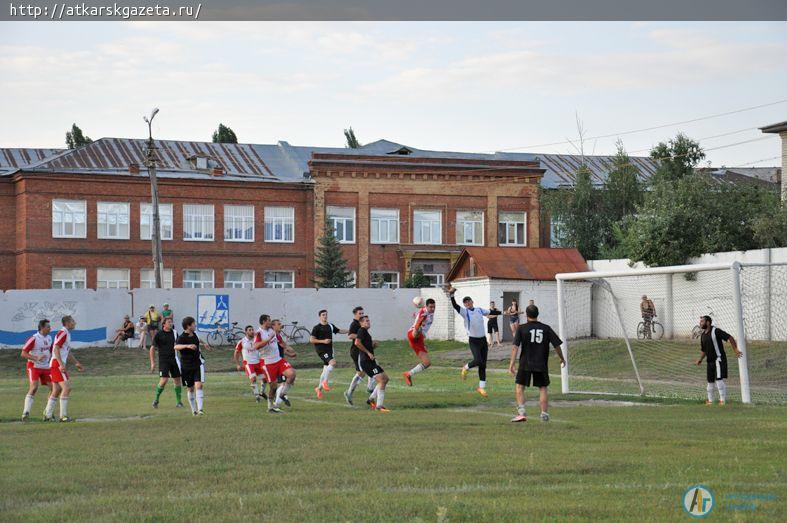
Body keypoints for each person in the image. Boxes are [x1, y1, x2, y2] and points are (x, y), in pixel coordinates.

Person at [508, 304, 565, 423]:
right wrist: (562, 358)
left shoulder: (521, 328)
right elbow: (557, 345)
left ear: (526, 315)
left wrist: (511, 364)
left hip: (525, 362)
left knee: (520, 386)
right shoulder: (546, 328)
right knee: (543, 388)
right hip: (541, 363)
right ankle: (544, 415)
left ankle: (522, 413)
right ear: (537, 314)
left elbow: (515, 347)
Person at [448, 286, 493, 397]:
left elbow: (491, 311)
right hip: (473, 341)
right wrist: (452, 295)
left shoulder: (479, 310)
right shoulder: (465, 312)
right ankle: (466, 367)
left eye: (469, 301)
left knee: (483, 365)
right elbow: (455, 306)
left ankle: (481, 388)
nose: (467, 303)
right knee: (477, 360)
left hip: (483, 340)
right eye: (465, 303)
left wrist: (503, 312)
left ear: (472, 302)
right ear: (464, 305)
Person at [696, 315, 742, 405]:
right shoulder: (703, 336)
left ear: (708, 322)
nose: (700, 323)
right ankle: (710, 401)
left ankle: (722, 401)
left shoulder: (716, 331)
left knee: (719, 380)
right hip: (709, 362)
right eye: (700, 321)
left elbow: (730, 338)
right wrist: (700, 359)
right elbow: (704, 350)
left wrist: (735, 349)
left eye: (702, 321)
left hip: (718, 360)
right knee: (710, 382)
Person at [47, 315, 85, 422]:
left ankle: (48, 414)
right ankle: (63, 416)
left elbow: (67, 352)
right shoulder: (63, 332)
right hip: (56, 364)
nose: (75, 323)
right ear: (67, 323)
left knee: (57, 389)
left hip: (56, 363)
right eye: (73, 321)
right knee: (67, 388)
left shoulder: (66, 334)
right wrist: (60, 364)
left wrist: (76, 363)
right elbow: (55, 348)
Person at [354, 315, 390, 413]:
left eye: (369, 321)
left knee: (385, 379)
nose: (368, 322)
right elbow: (357, 343)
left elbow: (363, 345)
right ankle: (379, 406)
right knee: (382, 380)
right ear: (361, 323)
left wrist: (372, 347)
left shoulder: (366, 332)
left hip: (370, 361)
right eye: (366, 321)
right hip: (366, 362)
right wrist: (368, 352)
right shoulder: (361, 330)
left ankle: (370, 400)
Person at [20, 319, 53, 421]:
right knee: (34, 387)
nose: (50, 328)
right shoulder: (34, 338)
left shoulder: (49, 338)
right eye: (48, 326)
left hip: (46, 367)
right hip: (34, 367)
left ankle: (47, 413)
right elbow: (23, 353)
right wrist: (36, 358)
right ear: (42, 328)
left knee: (54, 389)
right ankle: (25, 413)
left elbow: (51, 351)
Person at [310, 310, 347, 399]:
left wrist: (350, 331)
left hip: (329, 350)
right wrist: (323, 341)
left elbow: (339, 330)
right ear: (320, 316)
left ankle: (318, 389)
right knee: (333, 363)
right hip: (321, 350)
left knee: (325, 369)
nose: (325, 316)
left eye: (326, 315)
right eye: (323, 315)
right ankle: (325, 382)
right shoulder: (317, 328)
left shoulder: (330, 325)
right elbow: (311, 340)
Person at [150, 316, 184, 409]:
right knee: (164, 380)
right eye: (169, 322)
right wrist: (152, 363)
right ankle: (156, 400)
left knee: (177, 380)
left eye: (171, 322)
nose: (171, 323)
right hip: (164, 360)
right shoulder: (159, 334)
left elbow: (179, 345)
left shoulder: (175, 333)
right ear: (164, 324)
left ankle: (179, 402)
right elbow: (152, 348)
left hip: (174, 359)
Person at [175, 316, 205, 416]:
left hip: (197, 363)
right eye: (193, 324)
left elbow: (197, 339)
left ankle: (200, 410)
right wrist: (187, 346)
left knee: (199, 385)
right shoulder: (182, 337)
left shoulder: (195, 333)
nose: (195, 325)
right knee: (190, 388)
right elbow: (176, 346)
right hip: (186, 366)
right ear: (188, 326)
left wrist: (204, 343)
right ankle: (194, 410)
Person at [403, 298, 436, 387]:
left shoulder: (430, 313)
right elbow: (420, 317)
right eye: (431, 307)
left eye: (434, 307)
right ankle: (417, 330)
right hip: (413, 334)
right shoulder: (424, 313)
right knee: (417, 329)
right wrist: (419, 324)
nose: (433, 309)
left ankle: (408, 374)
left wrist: (422, 341)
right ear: (426, 306)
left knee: (427, 363)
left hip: (419, 339)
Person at [234, 325, 266, 403]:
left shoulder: (257, 340)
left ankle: (262, 392)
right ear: (246, 332)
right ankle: (257, 396)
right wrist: (238, 364)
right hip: (248, 363)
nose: (252, 331)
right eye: (250, 330)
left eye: (252, 329)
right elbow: (236, 353)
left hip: (258, 362)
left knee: (265, 379)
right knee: (253, 378)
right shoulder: (242, 341)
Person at [344, 306, 368, 405]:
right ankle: (369, 389)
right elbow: (350, 335)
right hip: (356, 351)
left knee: (362, 372)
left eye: (362, 313)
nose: (362, 315)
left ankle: (349, 392)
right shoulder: (354, 324)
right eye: (360, 313)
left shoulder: (362, 323)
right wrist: (360, 336)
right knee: (362, 371)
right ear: (355, 314)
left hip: (361, 350)